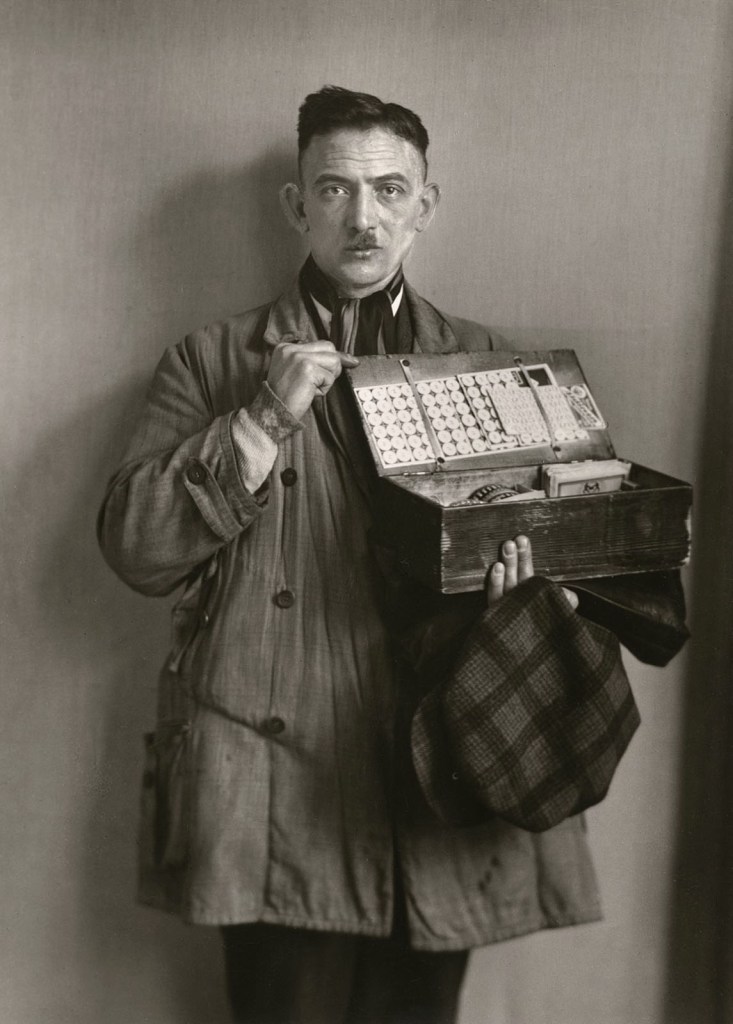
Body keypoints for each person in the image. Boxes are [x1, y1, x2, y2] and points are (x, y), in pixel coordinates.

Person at [97, 86, 609, 1024]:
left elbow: (583, 547)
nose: (362, 218)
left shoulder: (500, 364)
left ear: (426, 204)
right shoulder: (212, 361)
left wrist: (536, 594)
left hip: (442, 756)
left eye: (387, 189)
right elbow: (137, 550)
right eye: (334, 191)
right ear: (298, 206)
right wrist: (260, 418)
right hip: (272, 775)